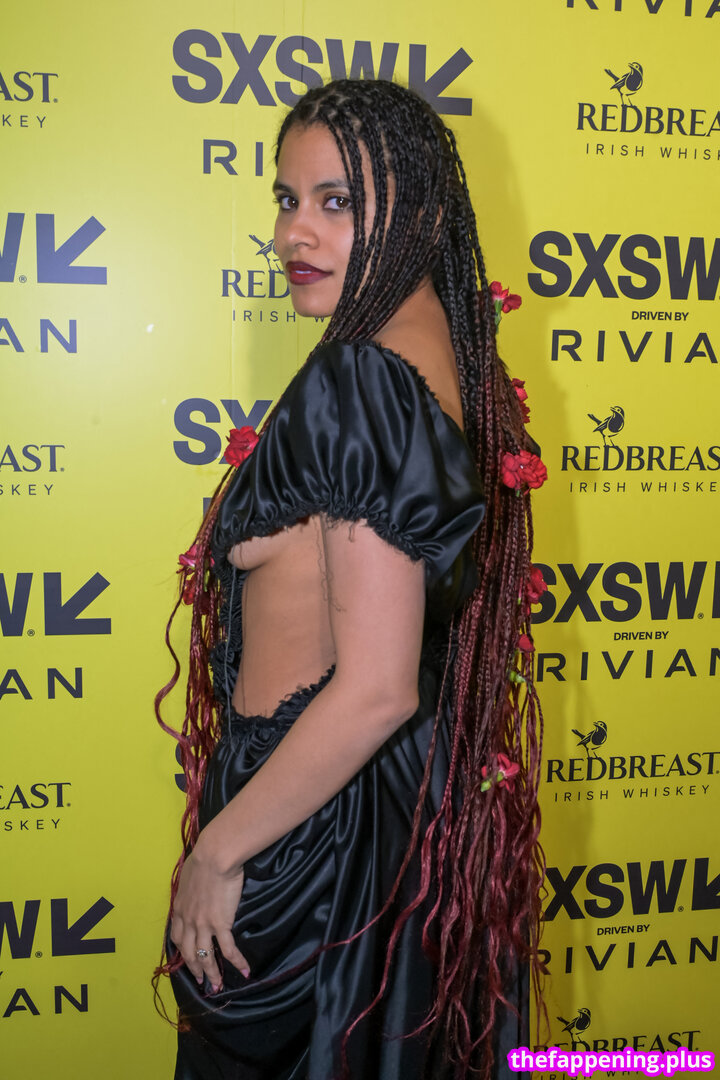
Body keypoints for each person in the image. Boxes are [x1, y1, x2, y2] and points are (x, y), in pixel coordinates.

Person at [155, 78, 546, 1080]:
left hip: (310, 845)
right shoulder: (436, 351)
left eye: (337, 202)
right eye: (287, 200)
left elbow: (375, 689)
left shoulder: (364, 379)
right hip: (377, 825)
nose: (295, 232)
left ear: (420, 214)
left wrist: (218, 851)